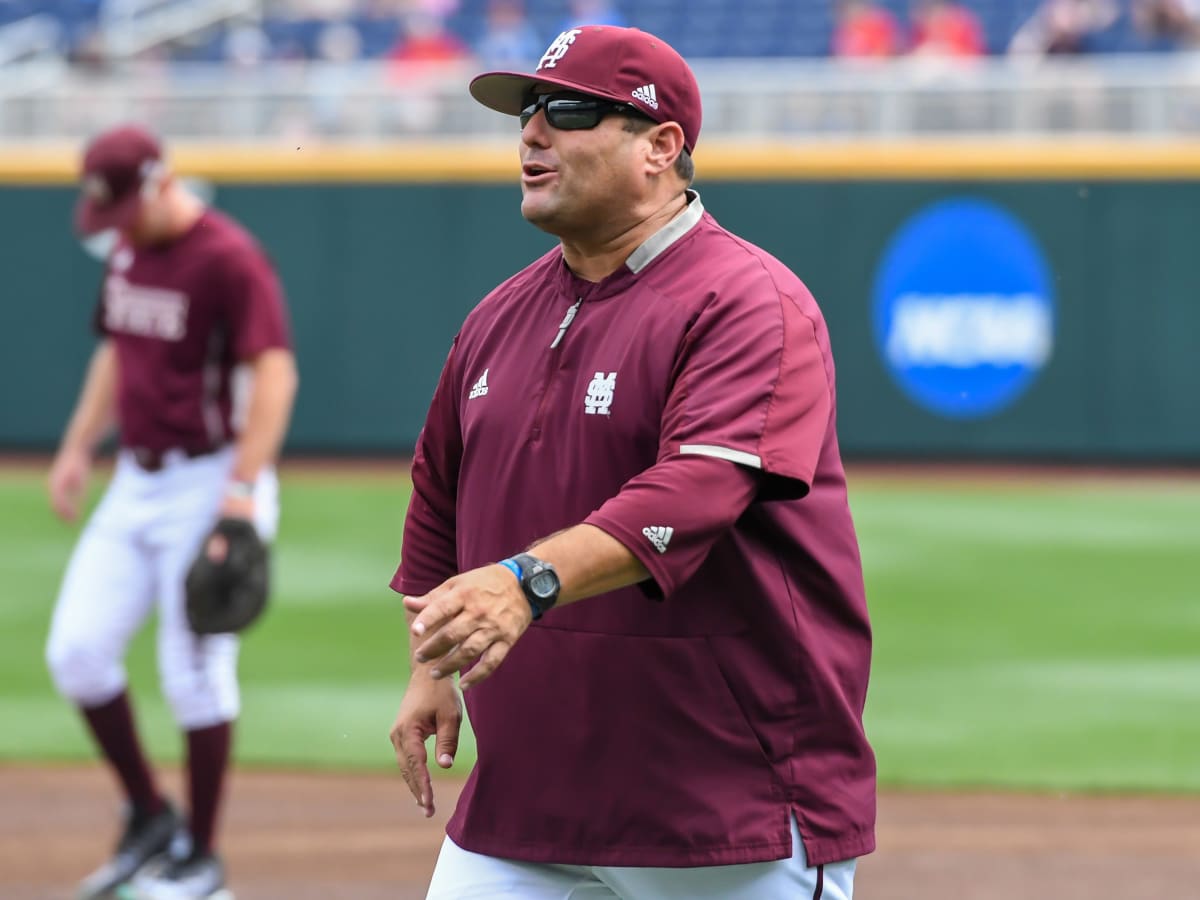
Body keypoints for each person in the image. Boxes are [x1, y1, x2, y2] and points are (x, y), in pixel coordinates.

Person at [388, 25, 875, 900]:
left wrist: (523, 581)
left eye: (568, 112)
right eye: (528, 112)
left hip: (724, 810)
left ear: (661, 147)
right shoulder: (500, 314)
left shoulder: (746, 300)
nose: (533, 133)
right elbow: (439, 494)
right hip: (525, 807)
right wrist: (431, 666)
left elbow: (697, 489)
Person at [46, 123, 298, 900]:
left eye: (124, 207)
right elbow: (117, 350)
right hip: (137, 480)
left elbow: (276, 373)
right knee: (77, 653)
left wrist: (241, 492)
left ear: (160, 182)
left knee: (192, 671)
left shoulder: (227, 257)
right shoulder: (129, 249)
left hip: (210, 477)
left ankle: (202, 856)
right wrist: (77, 445)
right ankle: (151, 817)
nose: (115, 226)